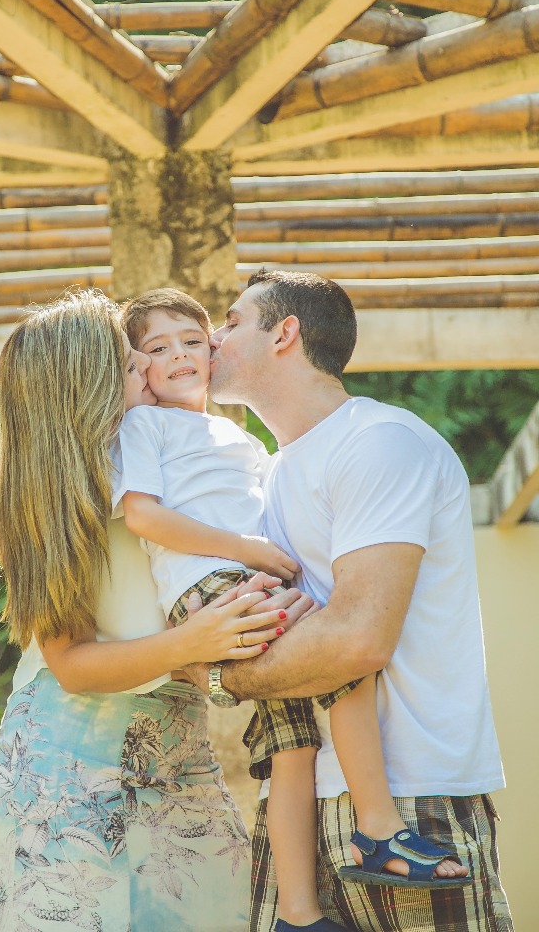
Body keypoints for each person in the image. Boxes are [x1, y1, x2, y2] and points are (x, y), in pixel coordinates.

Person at [115, 288, 468, 932]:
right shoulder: (146, 425)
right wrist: (245, 550)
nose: (186, 353)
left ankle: (299, 912)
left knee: (295, 748)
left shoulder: (240, 438)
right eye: (158, 349)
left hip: (244, 579)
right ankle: (377, 828)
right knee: (343, 668)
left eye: (195, 339)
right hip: (217, 584)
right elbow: (141, 515)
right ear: (138, 369)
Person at [185, 268, 512, 932]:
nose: (211, 338)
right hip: (297, 799)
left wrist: (213, 670)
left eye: (231, 321)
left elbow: (358, 639)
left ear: (285, 333)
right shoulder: (267, 474)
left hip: (412, 800)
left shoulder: (380, 443)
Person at [0, 288, 298, 932]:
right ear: (86, 389)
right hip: (64, 761)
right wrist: (192, 644)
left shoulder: (169, 455)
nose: (149, 368)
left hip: (176, 746)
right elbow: (72, 665)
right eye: (131, 364)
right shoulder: (54, 498)